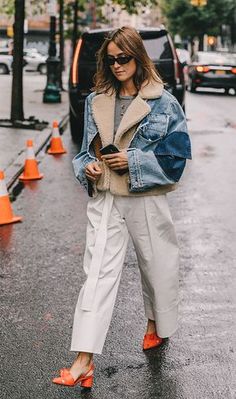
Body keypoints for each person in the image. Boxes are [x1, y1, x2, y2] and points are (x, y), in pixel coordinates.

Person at [52, 26, 191, 389]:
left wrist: (134, 162)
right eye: (111, 59)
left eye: (124, 58)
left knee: (157, 265)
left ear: (138, 58)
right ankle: (84, 359)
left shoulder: (165, 102)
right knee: (96, 273)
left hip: (145, 197)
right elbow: (83, 152)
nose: (117, 65)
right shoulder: (94, 99)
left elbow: (175, 159)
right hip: (106, 197)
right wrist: (88, 167)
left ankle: (156, 325)